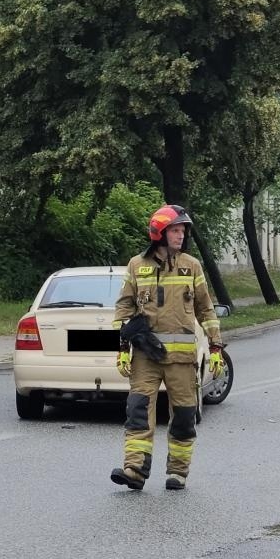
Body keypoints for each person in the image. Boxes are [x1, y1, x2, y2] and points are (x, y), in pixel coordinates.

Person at [111, 205, 224, 492]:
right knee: (137, 411)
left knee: (184, 415)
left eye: (183, 230)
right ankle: (134, 469)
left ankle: (178, 472)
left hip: (182, 360)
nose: (181, 235)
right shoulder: (137, 265)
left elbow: (206, 309)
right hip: (146, 356)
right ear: (159, 233)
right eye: (175, 230)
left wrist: (215, 347)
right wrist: (123, 347)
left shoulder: (192, 266)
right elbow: (124, 306)